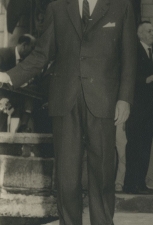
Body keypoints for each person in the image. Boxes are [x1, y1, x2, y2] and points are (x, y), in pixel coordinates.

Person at [0, 0, 137, 224]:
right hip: (65, 101)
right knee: (66, 178)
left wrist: (124, 99)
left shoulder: (121, 6)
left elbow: (129, 58)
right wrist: (10, 76)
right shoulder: (57, 7)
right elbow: (41, 54)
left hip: (104, 101)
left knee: (102, 175)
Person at [124, 21, 153, 194]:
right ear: (139, 34)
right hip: (137, 110)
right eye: (149, 31)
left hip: (150, 111)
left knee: (145, 148)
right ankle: (131, 184)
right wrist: (144, 80)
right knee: (135, 147)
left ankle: (139, 183)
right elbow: (125, 75)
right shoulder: (133, 51)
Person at [0, 34, 36, 132]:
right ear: (24, 45)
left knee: (30, 100)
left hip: (18, 97)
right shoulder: (3, 54)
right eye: (32, 48)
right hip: (2, 96)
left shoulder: (28, 61)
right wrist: (2, 98)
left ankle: (23, 127)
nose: (33, 52)